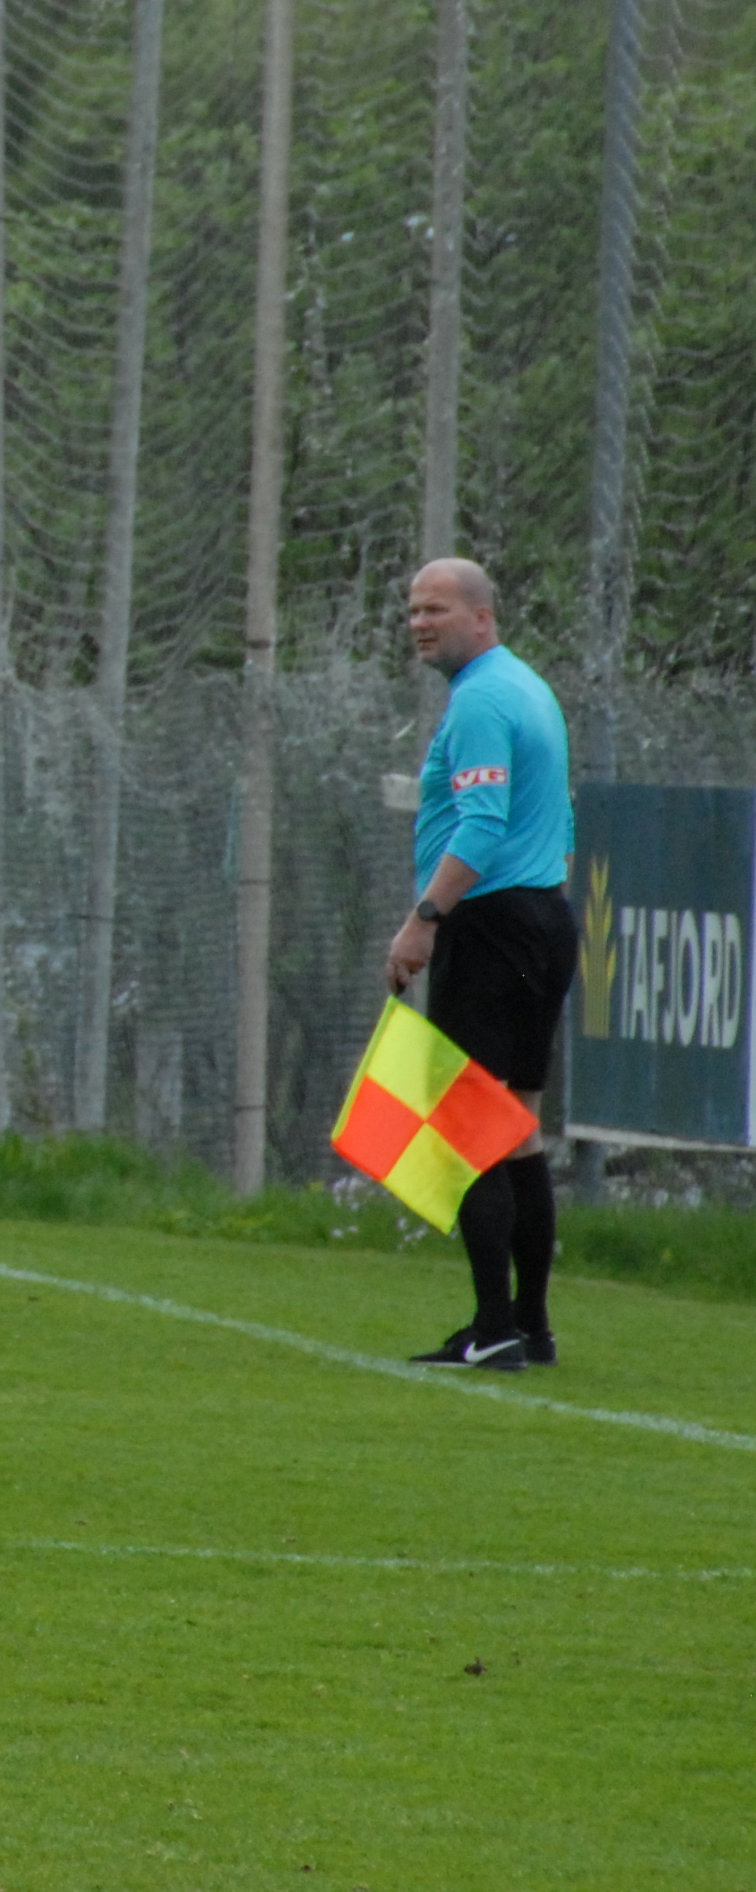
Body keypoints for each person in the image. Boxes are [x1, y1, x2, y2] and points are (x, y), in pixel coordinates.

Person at [390, 555, 579, 1373]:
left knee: (467, 1125)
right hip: (542, 918)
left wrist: (424, 920)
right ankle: (529, 1328)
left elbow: (481, 823)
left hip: (491, 925)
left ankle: (494, 1327)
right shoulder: (529, 688)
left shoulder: (480, 700)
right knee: (518, 1128)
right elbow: (557, 816)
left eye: (436, 609)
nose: (420, 624)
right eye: (412, 611)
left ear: (482, 616)